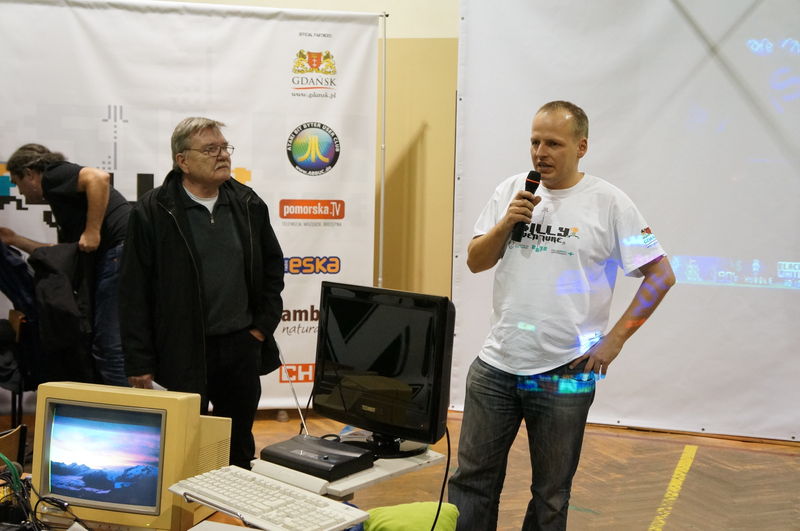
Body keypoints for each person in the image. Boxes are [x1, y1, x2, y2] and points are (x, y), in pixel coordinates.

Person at [448, 101, 675, 530]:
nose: (541, 153)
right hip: (496, 366)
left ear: (581, 147)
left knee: (551, 495)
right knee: (471, 481)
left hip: (565, 371)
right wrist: (506, 223)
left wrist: (615, 340)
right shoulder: (512, 190)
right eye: (535, 142)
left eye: (553, 143)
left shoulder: (609, 203)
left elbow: (661, 276)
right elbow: (476, 261)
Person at [119, 117, 284, 469]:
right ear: (183, 161)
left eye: (224, 147)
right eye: (210, 149)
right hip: (179, 350)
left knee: (238, 446)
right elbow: (133, 291)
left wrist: (260, 329)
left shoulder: (248, 203)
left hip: (240, 346)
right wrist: (139, 361)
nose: (222, 155)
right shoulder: (153, 211)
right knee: (181, 448)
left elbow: (272, 269)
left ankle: (235, 501)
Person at [1, 144, 131, 387]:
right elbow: (60, 254)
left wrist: (92, 231)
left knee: (108, 347)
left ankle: (125, 409)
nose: (20, 193)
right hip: (119, 256)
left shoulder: (53, 174)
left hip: (118, 254)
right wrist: (15, 239)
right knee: (105, 346)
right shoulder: (64, 200)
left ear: (29, 173)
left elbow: (98, 178)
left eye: (18, 183)